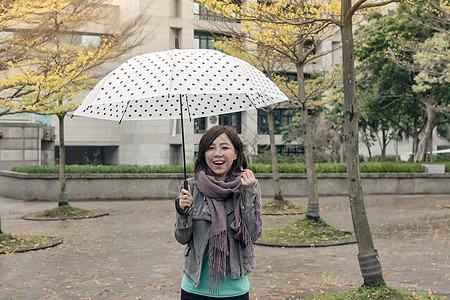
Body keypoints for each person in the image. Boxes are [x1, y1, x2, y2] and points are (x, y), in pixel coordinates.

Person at [174, 125, 262, 300]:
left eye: (224, 147)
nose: (217, 154)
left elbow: (253, 234)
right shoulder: (191, 187)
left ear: (236, 153)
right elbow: (182, 238)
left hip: (235, 292)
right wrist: (184, 212)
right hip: (194, 290)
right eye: (211, 148)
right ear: (203, 154)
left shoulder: (249, 184)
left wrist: (247, 193)